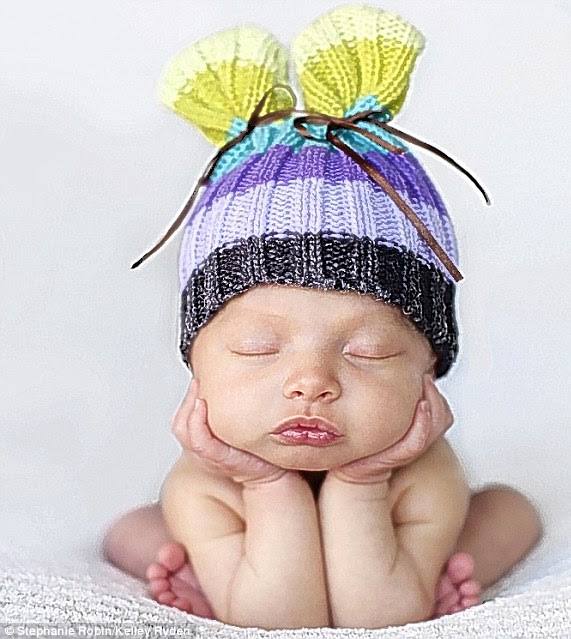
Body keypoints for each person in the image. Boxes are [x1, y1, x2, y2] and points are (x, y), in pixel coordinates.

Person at [101, 5, 543, 629]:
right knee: (139, 530)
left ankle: (455, 558)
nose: (311, 383)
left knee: (508, 510)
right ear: (195, 365)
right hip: (220, 495)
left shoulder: (422, 472)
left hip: (418, 498)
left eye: (369, 351)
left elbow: (375, 618)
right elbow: (278, 620)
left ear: (430, 371)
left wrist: (364, 484)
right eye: (257, 347)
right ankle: (189, 562)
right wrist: (264, 485)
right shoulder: (206, 480)